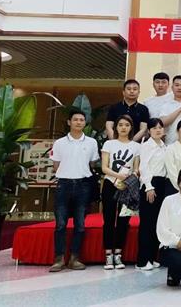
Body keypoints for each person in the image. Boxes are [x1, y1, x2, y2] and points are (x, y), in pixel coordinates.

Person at [49, 109, 100, 272]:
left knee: (80, 224)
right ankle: (59, 259)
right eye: (76, 119)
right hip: (63, 184)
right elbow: (56, 165)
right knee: (60, 224)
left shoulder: (91, 142)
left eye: (82, 120)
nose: (79, 122)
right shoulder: (60, 143)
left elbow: (92, 164)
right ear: (69, 122)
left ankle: (74, 258)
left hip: (83, 185)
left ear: (85, 123)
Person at [100, 115, 141, 270]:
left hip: (127, 186)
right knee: (109, 220)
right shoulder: (109, 144)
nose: (124, 127)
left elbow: (136, 168)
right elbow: (104, 168)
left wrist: (130, 177)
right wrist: (118, 176)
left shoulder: (136, 146)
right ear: (116, 127)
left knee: (124, 220)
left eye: (127, 125)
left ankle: (118, 253)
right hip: (110, 184)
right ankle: (108, 255)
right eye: (120, 125)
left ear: (131, 128)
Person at [136, 118, 170, 270]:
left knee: (157, 222)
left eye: (160, 128)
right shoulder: (146, 146)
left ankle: (152, 257)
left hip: (162, 184)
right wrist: (149, 187)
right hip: (150, 184)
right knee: (147, 224)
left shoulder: (164, 146)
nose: (158, 130)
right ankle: (142, 261)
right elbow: (143, 167)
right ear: (149, 131)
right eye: (154, 128)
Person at [158, 75, 181, 145]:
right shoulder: (166, 104)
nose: (179, 88)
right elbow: (162, 123)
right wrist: (180, 109)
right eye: (177, 85)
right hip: (171, 143)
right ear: (172, 88)